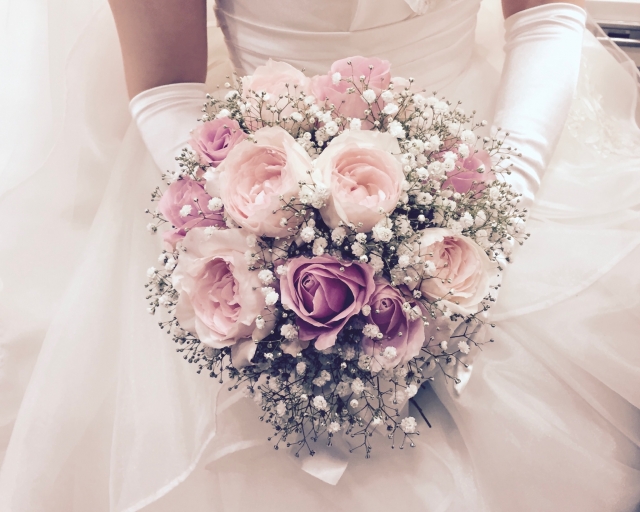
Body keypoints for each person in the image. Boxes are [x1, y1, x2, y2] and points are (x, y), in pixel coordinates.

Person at [0, 0, 639, 510]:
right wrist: (262, 245)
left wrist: (498, 210)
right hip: (259, 180)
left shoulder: (493, 197)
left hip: (487, 153)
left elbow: (546, 13)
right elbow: (165, 87)